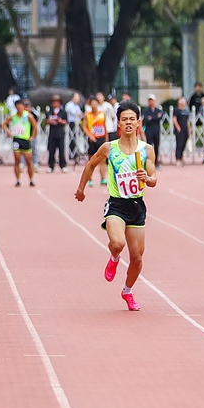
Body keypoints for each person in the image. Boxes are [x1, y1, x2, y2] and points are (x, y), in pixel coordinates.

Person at [75, 101, 157, 311]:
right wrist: (81, 189)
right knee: (118, 243)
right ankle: (114, 257)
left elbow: (154, 178)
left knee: (138, 258)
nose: (128, 122)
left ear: (138, 122)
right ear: (118, 123)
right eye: (124, 119)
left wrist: (147, 178)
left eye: (132, 119)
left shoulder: (146, 150)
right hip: (116, 205)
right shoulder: (109, 148)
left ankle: (127, 291)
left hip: (137, 206)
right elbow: (91, 164)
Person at [2, 99, 37, 187]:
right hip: (17, 139)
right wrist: (8, 132)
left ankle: (31, 179)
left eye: (21, 106)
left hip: (25, 140)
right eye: (17, 107)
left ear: (23, 107)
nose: (19, 108)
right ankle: (18, 179)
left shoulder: (28, 116)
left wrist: (32, 136)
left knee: (28, 161)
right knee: (17, 160)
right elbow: (4, 124)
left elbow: (35, 126)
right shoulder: (13, 116)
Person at [82, 97, 108, 187]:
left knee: (102, 160)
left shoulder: (102, 114)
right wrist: (90, 135)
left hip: (101, 138)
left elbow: (105, 127)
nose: (94, 106)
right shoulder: (87, 115)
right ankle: (90, 179)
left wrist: (106, 139)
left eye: (95, 104)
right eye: (92, 104)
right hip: (92, 139)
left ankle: (103, 178)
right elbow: (84, 127)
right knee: (91, 161)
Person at [46, 94, 68, 173]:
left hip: (60, 134)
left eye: (57, 102)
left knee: (61, 150)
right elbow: (46, 121)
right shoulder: (49, 112)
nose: (55, 104)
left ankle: (63, 165)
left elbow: (65, 121)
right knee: (51, 150)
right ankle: (51, 165)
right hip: (52, 134)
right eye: (54, 102)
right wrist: (50, 121)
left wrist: (60, 121)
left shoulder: (63, 112)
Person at [142, 94, 163, 166]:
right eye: (149, 100)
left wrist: (152, 118)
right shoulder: (145, 111)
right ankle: (150, 161)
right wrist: (154, 117)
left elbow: (159, 117)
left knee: (156, 147)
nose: (151, 102)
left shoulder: (158, 110)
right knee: (149, 147)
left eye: (152, 100)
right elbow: (146, 119)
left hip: (156, 131)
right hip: (149, 131)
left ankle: (156, 161)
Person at [65, 92, 85, 164]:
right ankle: (71, 154)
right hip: (71, 123)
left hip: (77, 123)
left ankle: (76, 153)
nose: (78, 100)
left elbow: (80, 114)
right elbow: (75, 113)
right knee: (71, 138)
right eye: (76, 98)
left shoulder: (77, 106)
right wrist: (80, 114)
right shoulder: (69, 105)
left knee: (76, 138)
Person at [174, 97, 190, 166]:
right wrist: (178, 128)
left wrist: (189, 130)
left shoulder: (186, 111)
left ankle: (181, 158)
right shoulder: (177, 110)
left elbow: (187, 121)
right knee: (179, 145)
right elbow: (174, 119)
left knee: (183, 144)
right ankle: (177, 159)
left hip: (185, 130)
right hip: (179, 130)